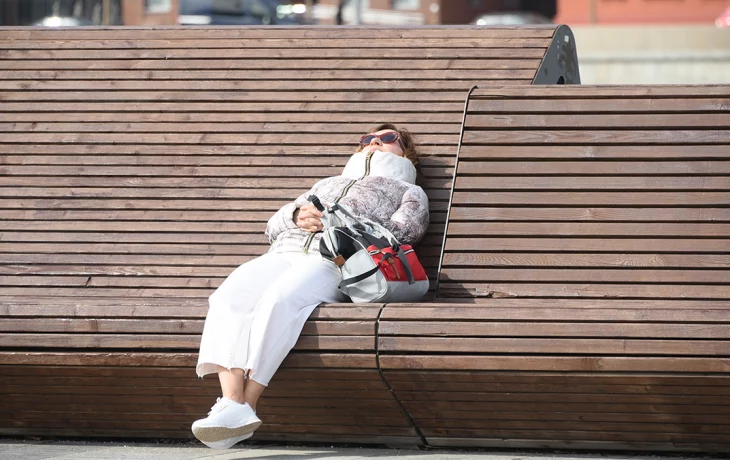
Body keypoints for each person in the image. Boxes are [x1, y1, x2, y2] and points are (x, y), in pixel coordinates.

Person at [191, 124, 430, 449]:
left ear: (406, 151)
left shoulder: (408, 190)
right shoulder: (327, 183)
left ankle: (247, 403)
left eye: (388, 138)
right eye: (368, 138)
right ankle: (231, 403)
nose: (375, 141)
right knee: (227, 298)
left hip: (337, 261)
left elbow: (406, 232)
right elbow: (273, 226)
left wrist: (342, 221)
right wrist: (296, 215)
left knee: (279, 299)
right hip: (284, 252)